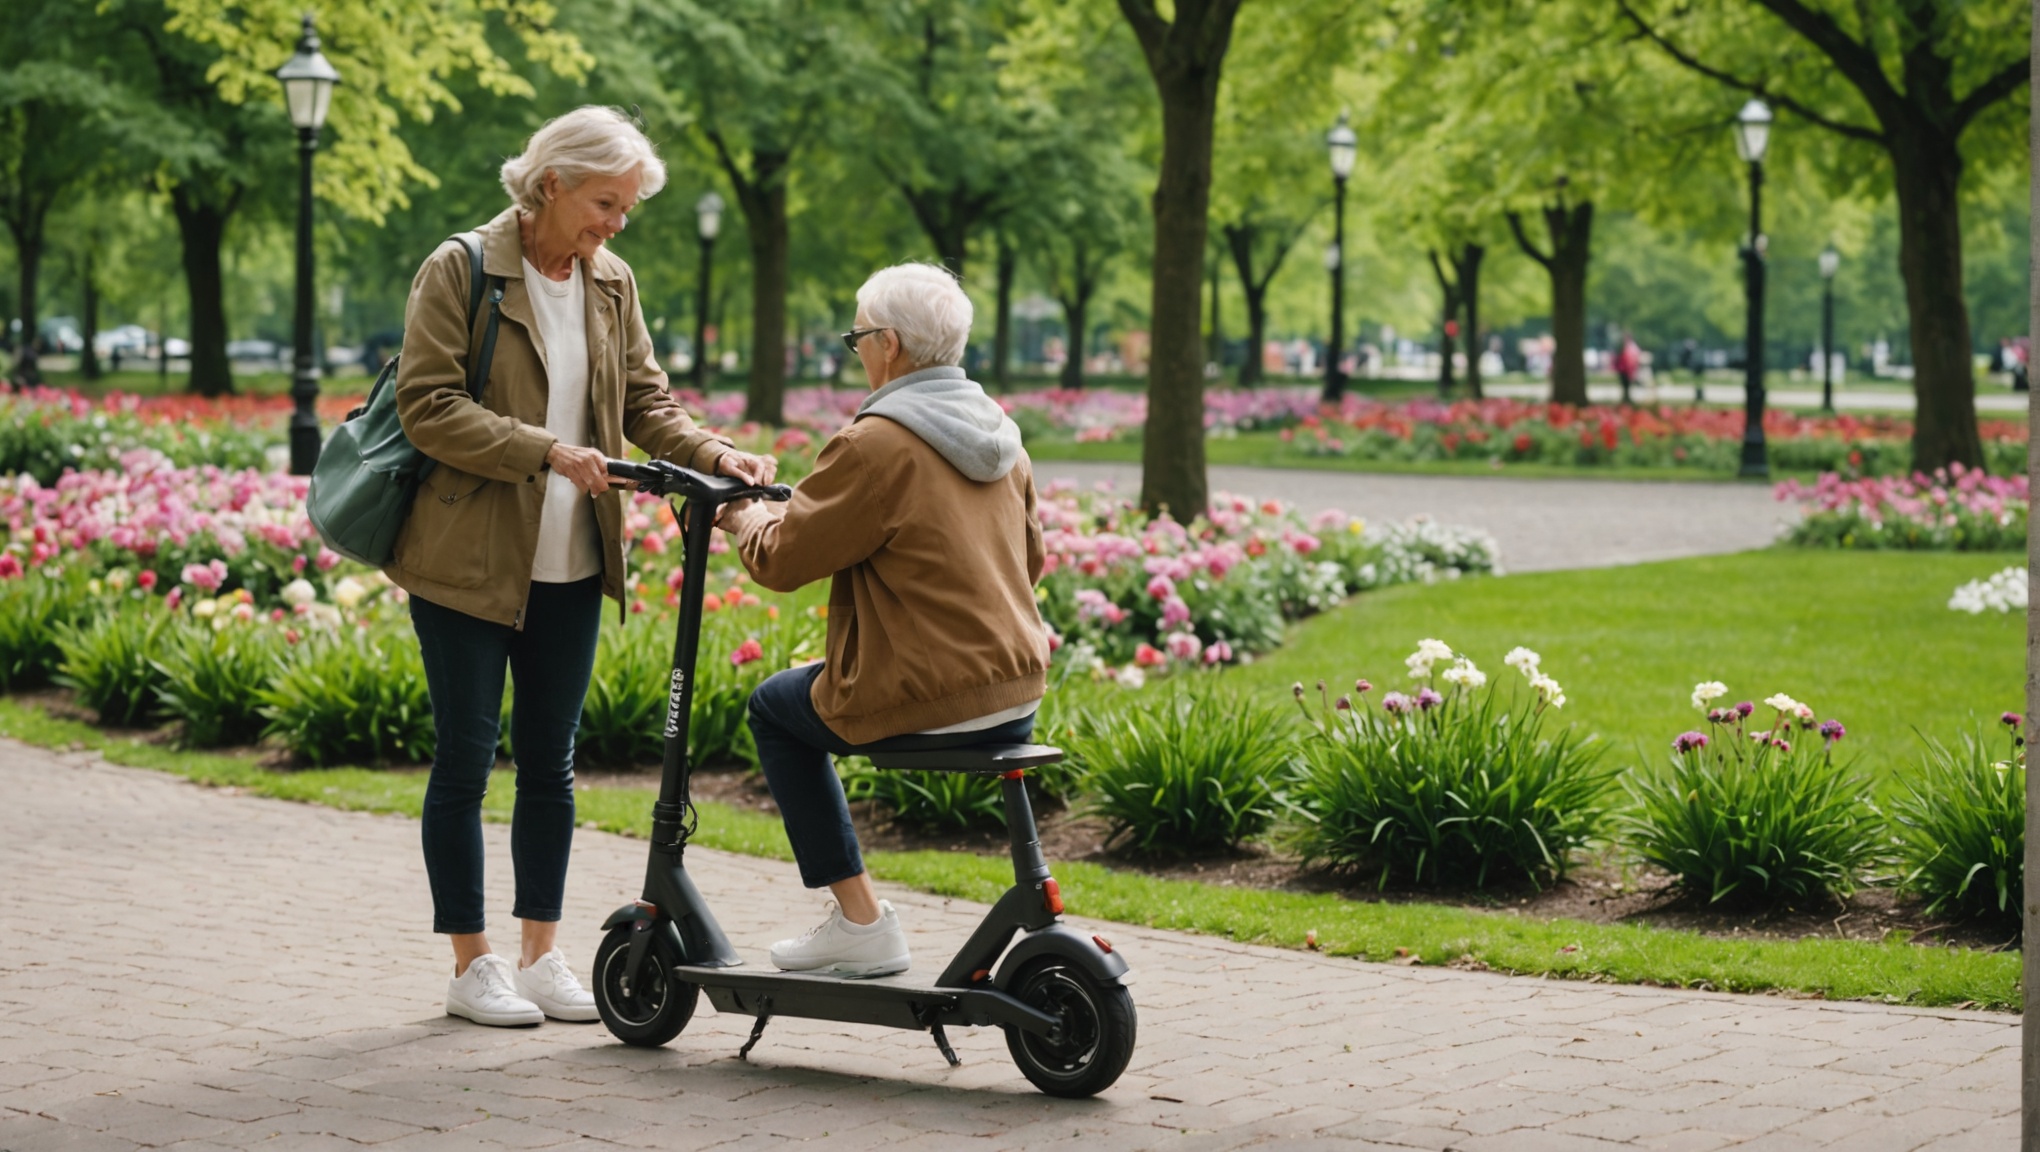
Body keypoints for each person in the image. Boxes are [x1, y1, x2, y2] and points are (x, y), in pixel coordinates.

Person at [388, 106, 776, 1027]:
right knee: (466, 760)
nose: (616, 222)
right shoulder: (462, 268)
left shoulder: (610, 281)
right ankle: (471, 962)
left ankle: (540, 953)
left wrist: (716, 455)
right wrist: (545, 450)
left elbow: (645, 401)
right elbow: (427, 404)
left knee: (552, 766)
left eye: (628, 208)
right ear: (552, 181)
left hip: (572, 557)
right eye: (607, 202)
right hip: (469, 559)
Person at [718, 263, 1049, 977]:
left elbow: (779, 561)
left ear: (890, 345)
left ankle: (860, 922)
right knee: (808, 687)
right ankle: (861, 923)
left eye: (858, 337)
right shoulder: (1003, 437)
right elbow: (1033, 561)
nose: (857, 350)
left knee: (775, 708)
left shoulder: (876, 444)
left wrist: (745, 516)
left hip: (930, 696)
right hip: (1015, 691)